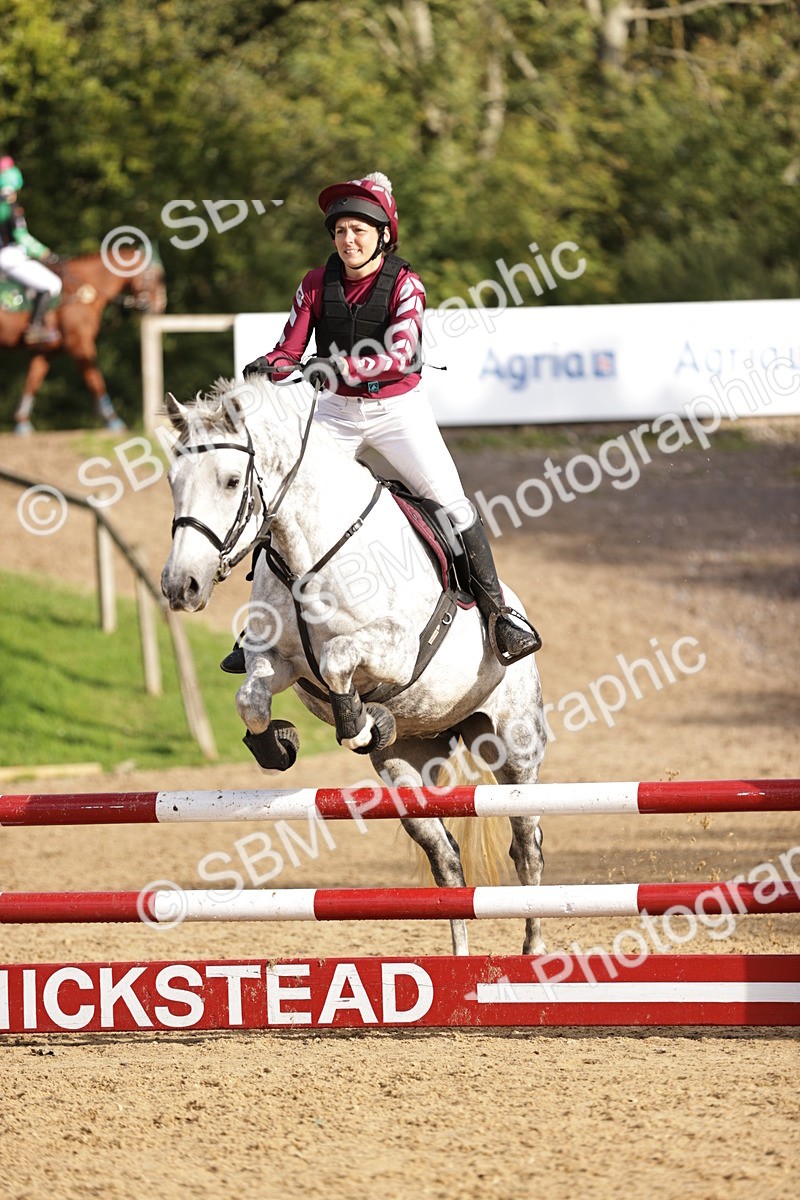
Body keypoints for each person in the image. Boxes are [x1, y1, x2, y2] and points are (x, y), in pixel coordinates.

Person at [228, 171, 541, 673]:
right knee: (279, 501)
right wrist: (271, 365)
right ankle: (259, 628)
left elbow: (401, 355)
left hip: (397, 412)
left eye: (358, 230)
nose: (347, 240)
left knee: (453, 507)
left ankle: (499, 616)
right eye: (339, 232)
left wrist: (335, 367)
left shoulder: (406, 285)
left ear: (382, 236)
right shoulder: (314, 283)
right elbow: (290, 350)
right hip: (335, 412)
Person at [0, 156, 61, 346]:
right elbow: (23, 238)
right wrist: (46, 253)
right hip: (9, 257)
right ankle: (35, 328)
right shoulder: (11, 208)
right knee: (52, 283)